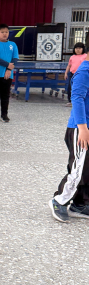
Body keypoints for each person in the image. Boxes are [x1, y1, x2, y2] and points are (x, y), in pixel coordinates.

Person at [49, 51, 89, 222]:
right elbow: (77, 98)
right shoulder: (84, 72)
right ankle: (59, 200)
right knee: (78, 169)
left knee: (86, 169)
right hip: (80, 128)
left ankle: (79, 204)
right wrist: (83, 127)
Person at [64, 42, 86, 107]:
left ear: (83, 49)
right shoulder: (72, 57)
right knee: (70, 87)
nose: (78, 50)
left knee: (80, 88)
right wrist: (66, 73)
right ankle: (70, 101)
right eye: (76, 48)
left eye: (80, 48)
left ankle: (80, 101)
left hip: (81, 74)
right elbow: (69, 65)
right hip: (72, 74)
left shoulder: (85, 56)